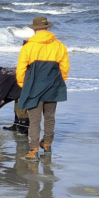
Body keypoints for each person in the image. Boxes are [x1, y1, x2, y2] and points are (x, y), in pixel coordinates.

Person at [17, 16, 70, 160]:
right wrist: (58, 81)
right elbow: (65, 68)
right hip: (53, 85)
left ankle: (33, 150)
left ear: (34, 29)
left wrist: (23, 85)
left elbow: (21, 69)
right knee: (50, 117)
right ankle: (47, 143)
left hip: (34, 86)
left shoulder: (28, 46)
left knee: (34, 119)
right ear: (47, 28)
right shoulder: (59, 46)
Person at [0, 66, 29, 134]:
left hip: (26, 87)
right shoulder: (2, 71)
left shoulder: (1, 78)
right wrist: (4, 99)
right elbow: (10, 87)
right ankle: (16, 125)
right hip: (21, 85)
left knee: (21, 110)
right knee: (17, 108)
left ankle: (24, 129)